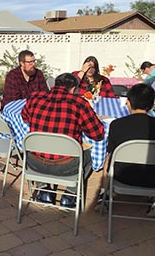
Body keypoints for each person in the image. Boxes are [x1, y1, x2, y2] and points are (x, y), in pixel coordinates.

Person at [21, 73, 105, 207]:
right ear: (73, 89)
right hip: (66, 166)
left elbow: (24, 117)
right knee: (90, 155)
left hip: (34, 163)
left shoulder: (34, 98)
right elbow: (98, 135)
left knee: (35, 148)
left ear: (55, 84)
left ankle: (44, 190)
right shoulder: (79, 104)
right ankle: (69, 195)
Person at [107, 83, 155, 187]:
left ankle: (105, 192)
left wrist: (103, 186)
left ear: (128, 103)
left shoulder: (117, 125)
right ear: (152, 105)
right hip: (152, 178)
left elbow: (110, 153)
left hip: (122, 176)